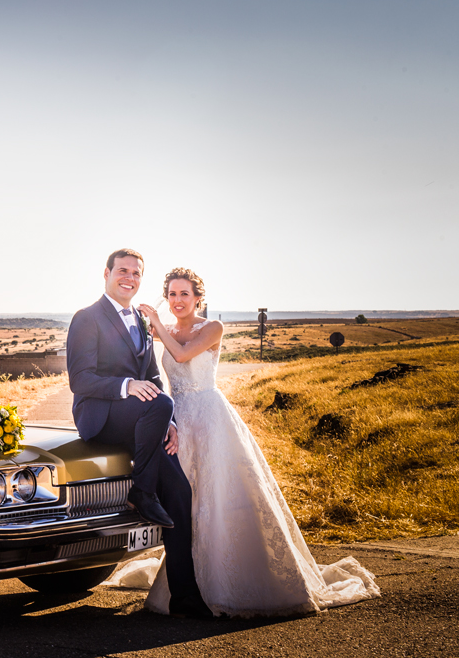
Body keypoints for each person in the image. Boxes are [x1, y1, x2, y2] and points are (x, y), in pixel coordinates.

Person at [124, 267, 380, 617]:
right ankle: (187, 583)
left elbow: (182, 355)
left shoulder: (212, 328)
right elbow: (154, 368)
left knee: (222, 495)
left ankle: (232, 580)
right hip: (180, 420)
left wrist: (156, 323)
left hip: (211, 418)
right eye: (171, 294)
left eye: (185, 294)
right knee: (187, 501)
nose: (177, 301)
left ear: (198, 297)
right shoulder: (164, 330)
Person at [66, 249, 211, 618]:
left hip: (144, 420)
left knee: (180, 491)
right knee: (158, 403)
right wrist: (127, 385)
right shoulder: (86, 318)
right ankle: (142, 491)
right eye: (122, 270)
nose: (129, 277)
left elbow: (156, 379)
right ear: (107, 273)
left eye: (136, 273)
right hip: (101, 415)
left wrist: (171, 422)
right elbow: (80, 379)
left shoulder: (142, 322)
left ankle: (186, 597)